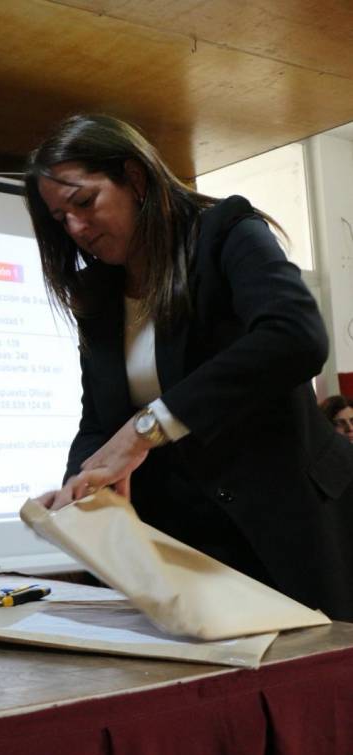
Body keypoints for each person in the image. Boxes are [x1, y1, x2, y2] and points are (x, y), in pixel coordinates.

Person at [24, 114, 353, 620]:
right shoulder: (100, 295)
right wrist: (79, 491)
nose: (75, 228)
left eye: (84, 203)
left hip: (291, 521)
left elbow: (296, 336)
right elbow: (100, 422)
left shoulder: (225, 232)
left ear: (134, 178)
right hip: (190, 544)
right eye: (59, 220)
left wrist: (148, 428)